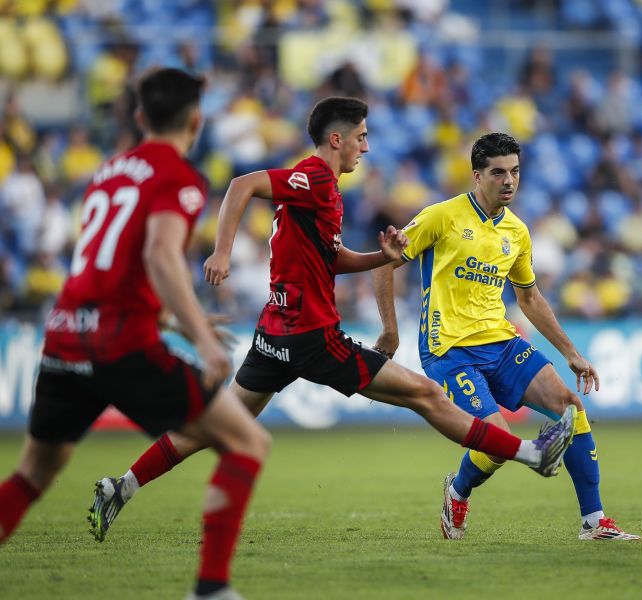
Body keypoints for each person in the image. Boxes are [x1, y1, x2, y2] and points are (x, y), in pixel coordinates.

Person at [89, 97, 576, 543]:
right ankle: (531, 454)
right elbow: (242, 185)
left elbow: (331, 258)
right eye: (361, 136)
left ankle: (122, 486)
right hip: (312, 336)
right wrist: (222, 251)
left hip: (274, 335)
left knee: (219, 423)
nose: (366, 146)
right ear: (337, 139)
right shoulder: (315, 177)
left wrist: (378, 257)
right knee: (426, 395)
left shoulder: (323, 193)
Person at [0, 67, 271, 600]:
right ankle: (211, 589)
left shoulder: (108, 171)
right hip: (119, 345)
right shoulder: (178, 175)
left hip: (64, 333)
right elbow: (158, 255)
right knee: (246, 442)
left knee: (35, 471)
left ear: (141, 116)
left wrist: (170, 319)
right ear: (197, 119)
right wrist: (201, 334)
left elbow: (112, 268)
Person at [372, 133, 640, 541]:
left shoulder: (516, 231)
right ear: (477, 175)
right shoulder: (441, 217)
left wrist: (570, 352)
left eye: (515, 171)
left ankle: (594, 522)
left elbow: (529, 297)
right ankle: (457, 491)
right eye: (498, 173)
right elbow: (384, 264)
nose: (509, 180)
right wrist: (390, 330)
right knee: (498, 442)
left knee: (571, 405)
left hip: (501, 342)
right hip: (450, 350)